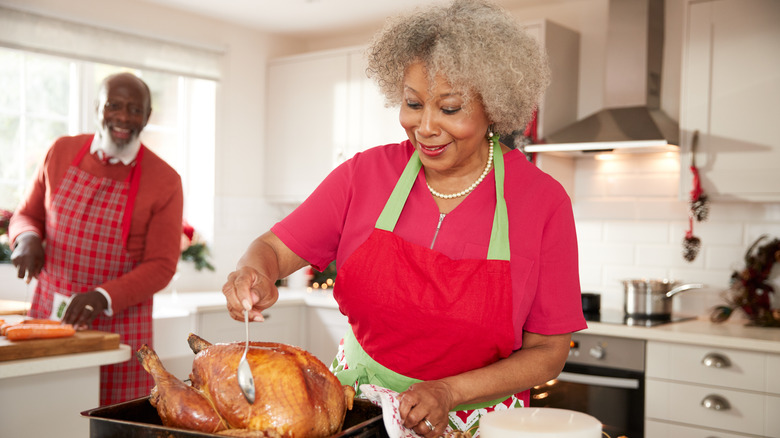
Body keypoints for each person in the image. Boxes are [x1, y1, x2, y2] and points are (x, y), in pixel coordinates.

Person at [221, 0, 586, 436]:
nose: (425, 126)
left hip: (481, 422)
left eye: (449, 108)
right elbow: (272, 248)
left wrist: (449, 391)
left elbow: (549, 351)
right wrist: (254, 272)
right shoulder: (364, 175)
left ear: (494, 106)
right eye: (413, 103)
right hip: (359, 408)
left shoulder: (542, 201)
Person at [9, 72, 183, 406]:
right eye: (113, 106)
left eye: (135, 110)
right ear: (97, 108)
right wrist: (27, 237)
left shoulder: (165, 180)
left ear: (147, 117)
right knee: (45, 412)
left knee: (110, 420)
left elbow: (162, 265)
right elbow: (27, 214)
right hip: (49, 319)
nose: (123, 117)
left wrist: (102, 297)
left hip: (120, 330)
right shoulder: (61, 150)